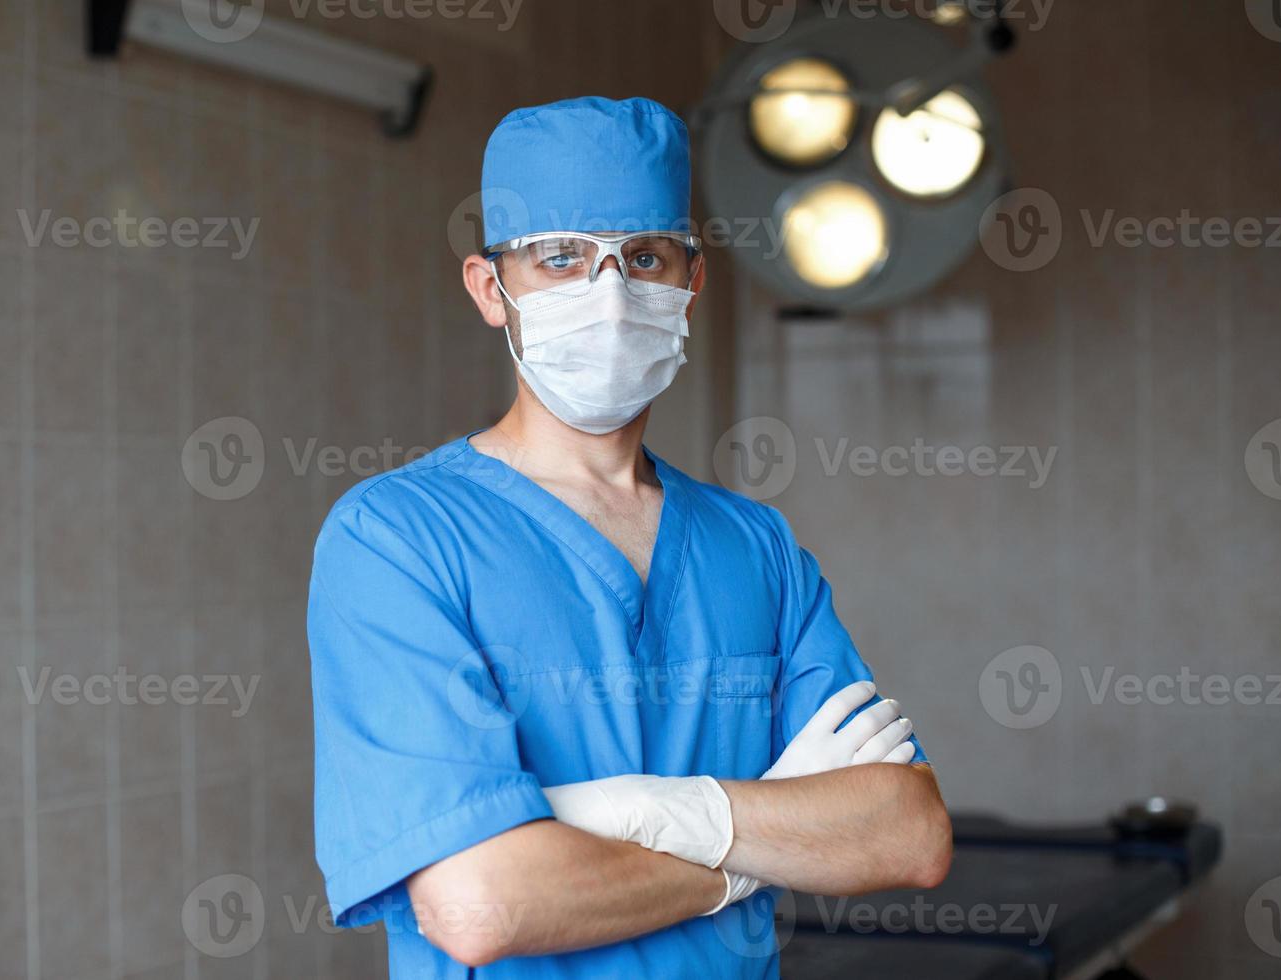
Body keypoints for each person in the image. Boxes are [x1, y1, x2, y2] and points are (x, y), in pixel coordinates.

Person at [308, 95, 951, 979]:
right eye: (561, 258)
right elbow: (479, 904)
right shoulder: (398, 540)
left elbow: (906, 834)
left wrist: (645, 810)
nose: (608, 296)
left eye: (644, 258)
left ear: (690, 283)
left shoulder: (753, 545)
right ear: (491, 290)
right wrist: (746, 845)